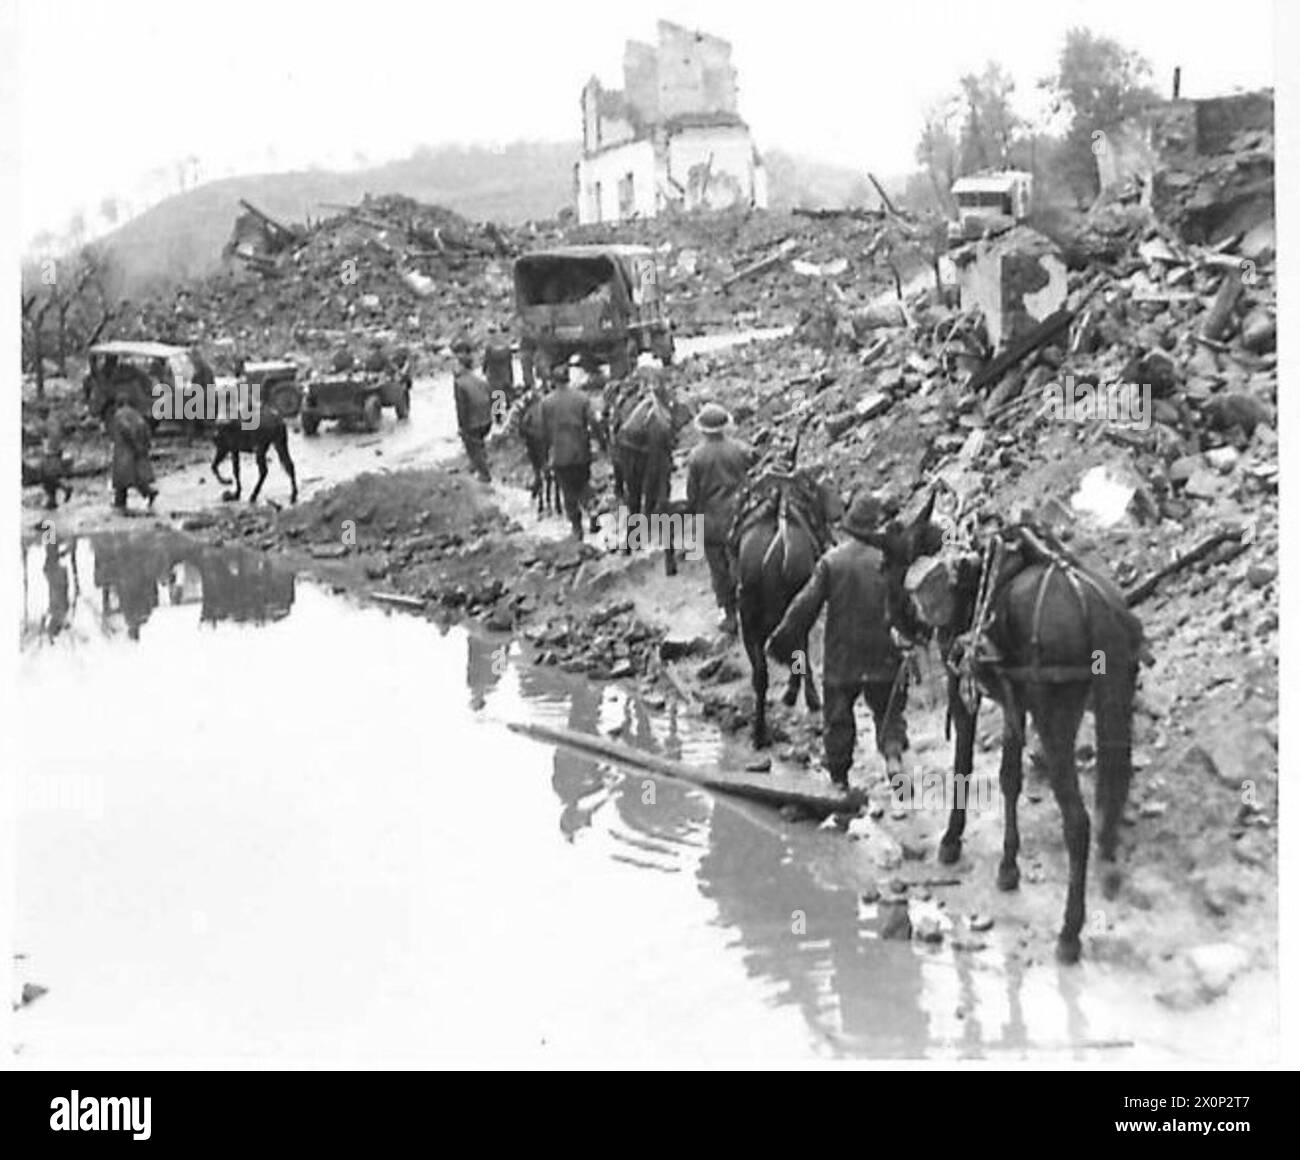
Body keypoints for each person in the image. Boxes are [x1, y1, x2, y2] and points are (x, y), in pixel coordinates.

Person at [767, 492, 908, 789]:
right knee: (888, 712)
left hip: (842, 658)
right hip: (883, 654)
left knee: (838, 720)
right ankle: (894, 760)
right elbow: (905, 608)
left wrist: (782, 640)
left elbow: (805, 606)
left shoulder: (831, 562)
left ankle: (840, 782)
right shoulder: (890, 562)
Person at [685, 402, 753, 634]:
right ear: (725, 426)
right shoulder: (742, 450)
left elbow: (692, 495)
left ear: (702, 429)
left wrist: (692, 516)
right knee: (742, 564)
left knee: (718, 570)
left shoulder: (696, 457)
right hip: (741, 517)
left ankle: (729, 614)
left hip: (711, 521)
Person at [540, 360, 599, 538]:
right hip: (581, 451)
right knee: (583, 483)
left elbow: (544, 433)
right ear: (568, 378)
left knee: (568, 491)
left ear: (553, 381)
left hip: (560, 454)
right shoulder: (582, 398)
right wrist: (598, 444)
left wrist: (545, 457)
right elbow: (594, 423)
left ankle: (577, 528)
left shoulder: (546, 403)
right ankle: (592, 508)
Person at [452, 334, 493, 482]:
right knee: (479, 442)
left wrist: (462, 427)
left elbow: (461, 408)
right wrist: (498, 415)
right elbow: (495, 395)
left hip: (474, 423)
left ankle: (484, 474)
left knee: (471, 444)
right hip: (487, 420)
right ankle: (481, 462)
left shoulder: (459, 383)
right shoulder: (479, 380)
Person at [109, 391, 158, 512]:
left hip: (124, 450)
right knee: (134, 476)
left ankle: (121, 503)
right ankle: (146, 492)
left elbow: (125, 429)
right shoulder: (136, 414)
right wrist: (145, 445)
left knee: (123, 478)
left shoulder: (119, 415)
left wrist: (133, 443)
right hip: (136, 449)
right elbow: (145, 428)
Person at [482, 327, 515, 405]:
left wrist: (483, 370)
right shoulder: (506, 346)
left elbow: (486, 361)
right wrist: (511, 378)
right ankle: (510, 409)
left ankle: (498, 415)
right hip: (505, 377)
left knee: (497, 404)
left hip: (494, 379)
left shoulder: (489, 347)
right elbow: (509, 363)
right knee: (509, 402)